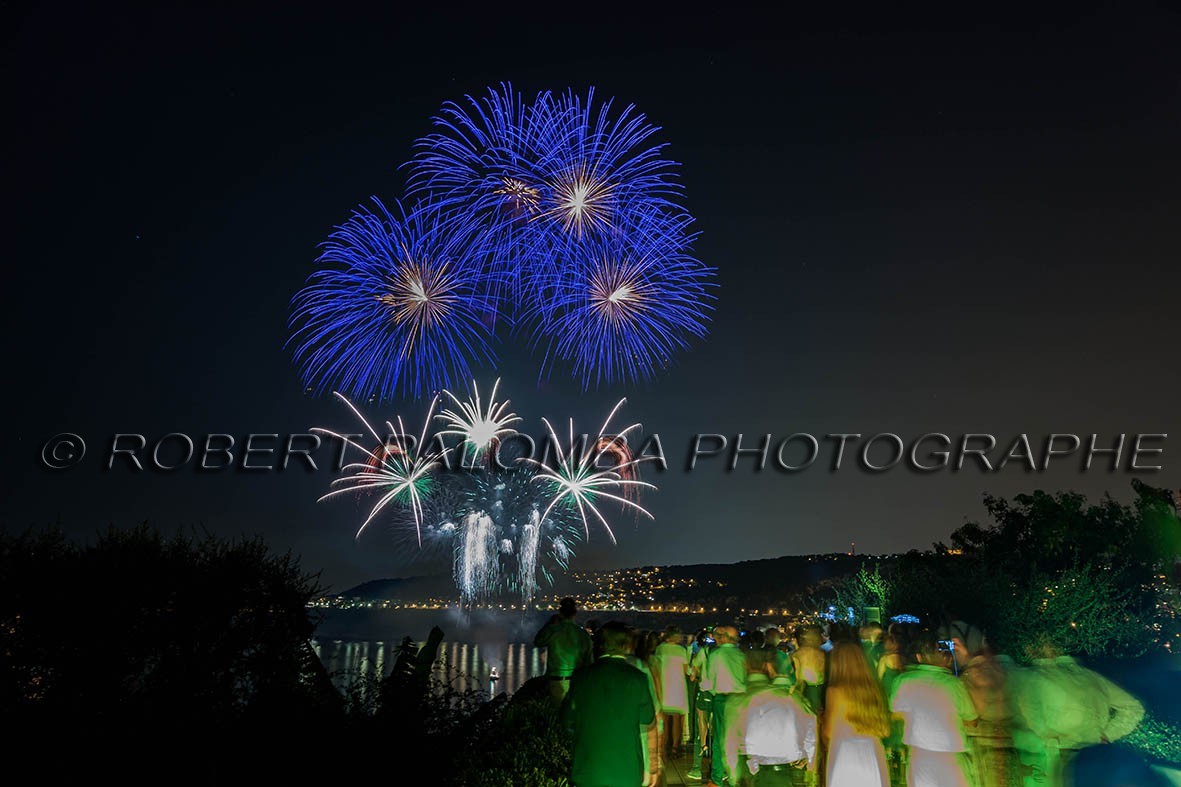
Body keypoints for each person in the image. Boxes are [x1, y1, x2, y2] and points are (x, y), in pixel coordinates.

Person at [1007, 636, 1145, 787]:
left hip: (1051, 758)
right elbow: (1133, 708)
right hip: (1088, 757)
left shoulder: (1028, 676)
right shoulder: (1089, 676)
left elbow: (1133, 708)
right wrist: (1106, 735)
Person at [562, 622, 657, 787]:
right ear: (627, 646)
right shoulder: (637, 678)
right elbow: (648, 721)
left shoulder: (581, 676)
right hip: (626, 769)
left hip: (588, 768)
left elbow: (566, 719)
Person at [889, 634, 977, 787]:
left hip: (918, 756)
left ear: (919, 657)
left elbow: (896, 715)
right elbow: (972, 720)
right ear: (944, 657)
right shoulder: (953, 684)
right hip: (951, 758)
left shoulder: (904, 681)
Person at [723, 650, 817, 786]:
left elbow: (733, 741)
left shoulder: (748, 699)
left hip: (759, 772)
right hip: (786, 771)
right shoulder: (792, 699)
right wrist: (809, 760)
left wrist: (735, 775)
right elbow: (810, 729)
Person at [824, 640, 891, 787]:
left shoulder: (835, 691)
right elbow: (885, 730)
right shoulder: (875, 690)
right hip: (873, 751)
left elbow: (830, 731)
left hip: (845, 753)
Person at [701, 625, 747, 786]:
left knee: (720, 739)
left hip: (721, 699)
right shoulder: (741, 655)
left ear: (724, 637)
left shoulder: (717, 654)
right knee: (738, 738)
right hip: (740, 700)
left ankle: (716, 778)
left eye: (718, 635)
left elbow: (708, 679)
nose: (716, 638)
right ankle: (737, 776)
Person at [534, 597, 594, 702]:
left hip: (556, 681)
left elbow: (538, 641)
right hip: (577, 681)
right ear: (575, 613)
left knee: (558, 714)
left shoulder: (554, 631)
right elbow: (589, 661)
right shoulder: (583, 635)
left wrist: (550, 624)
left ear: (560, 612)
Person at [654, 626, 691, 757]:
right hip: (678, 685)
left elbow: (656, 668)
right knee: (676, 717)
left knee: (664, 717)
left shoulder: (660, 649)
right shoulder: (681, 650)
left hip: (664, 684)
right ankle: (675, 747)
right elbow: (686, 670)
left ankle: (663, 746)